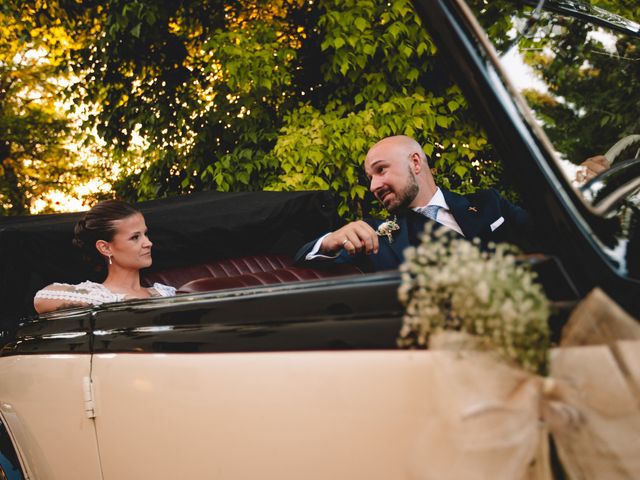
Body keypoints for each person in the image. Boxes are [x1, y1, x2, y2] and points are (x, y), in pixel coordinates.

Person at [295, 135, 532, 272]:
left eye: (381, 170)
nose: (373, 187)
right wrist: (329, 241)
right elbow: (303, 260)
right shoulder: (376, 237)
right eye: (370, 178)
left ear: (416, 163)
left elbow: (545, 233)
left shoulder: (490, 203)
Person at [34, 200, 175, 313]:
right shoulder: (98, 295)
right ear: (105, 248)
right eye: (135, 237)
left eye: (145, 234)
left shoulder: (164, 292)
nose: (148, 243)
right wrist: (115, 300)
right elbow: (41, 299)